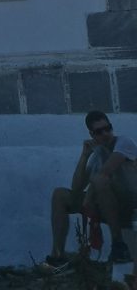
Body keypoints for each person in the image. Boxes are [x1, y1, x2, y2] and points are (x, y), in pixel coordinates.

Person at [47, 110, 137, 270]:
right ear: (92, 134)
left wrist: (88, 198)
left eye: (107, 128)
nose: (105, 134)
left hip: (130, 201)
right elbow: (76, 189)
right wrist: (84, 156)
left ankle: (118, 244)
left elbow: (106, 171)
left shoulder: (124, 142)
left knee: (100, 179)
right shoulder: (96, 155)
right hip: (107, 204)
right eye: (99, 131)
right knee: (60, 195)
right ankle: (57, 255)